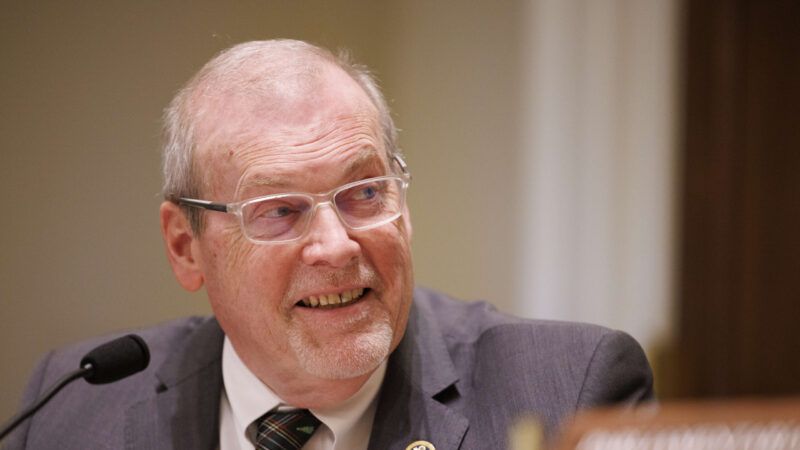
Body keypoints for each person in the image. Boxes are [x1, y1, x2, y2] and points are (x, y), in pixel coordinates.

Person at [7, 39, 653, 450]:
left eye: (365, 192)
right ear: (186, 247)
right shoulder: (74, 408)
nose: (337, 246)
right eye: (281, 210)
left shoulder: (567, 391)